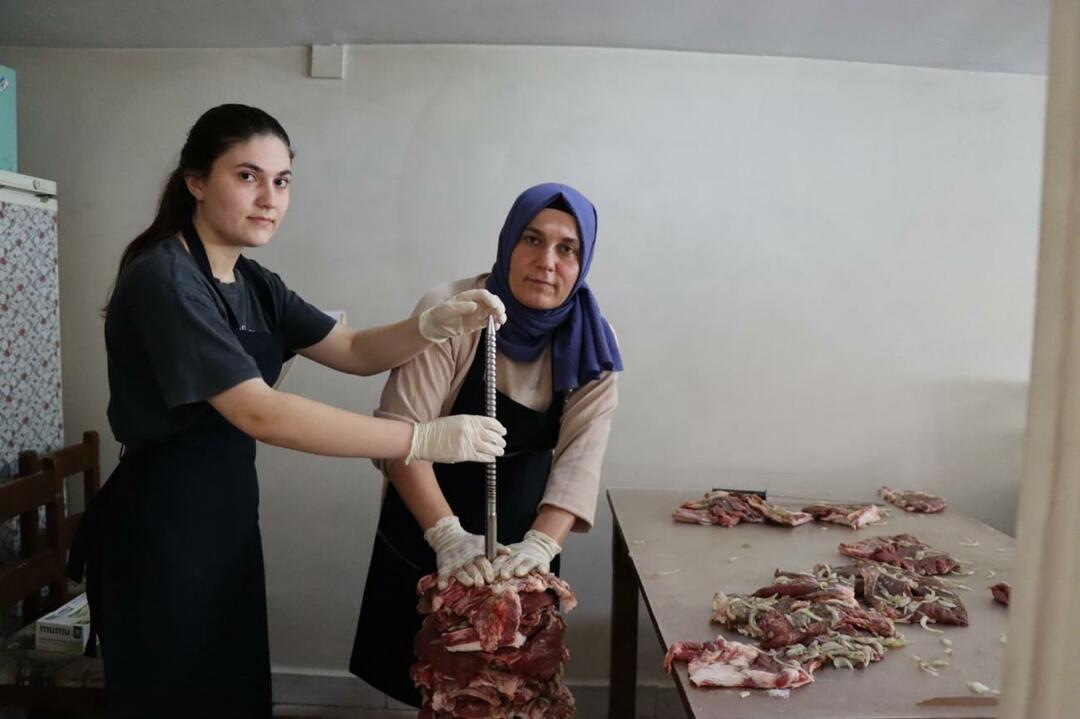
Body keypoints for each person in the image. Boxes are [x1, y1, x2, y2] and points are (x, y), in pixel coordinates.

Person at [72, 104, 507, 718]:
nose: (269, 197)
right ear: (196, 181)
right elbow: (259, 413)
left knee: (234, 692)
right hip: (159, 527)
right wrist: (416, 439)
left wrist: (434, 326)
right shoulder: (165, 280)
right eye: (247, 176)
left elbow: (353, 349)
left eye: (281, 181)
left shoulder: (254, 281)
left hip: (225, 521)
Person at [349, 182, 622, 706]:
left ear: (583, 262)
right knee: (436, 683)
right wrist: (447, 536)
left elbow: (579, 461)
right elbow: (403, 430)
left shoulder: (593, 345)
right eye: (532, 240)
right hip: (429, 508)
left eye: (568, 249)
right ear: (506, 244)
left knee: (513, 691)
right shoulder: (454, 311)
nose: (547, 261)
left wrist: (540, 547)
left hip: (527, 526)